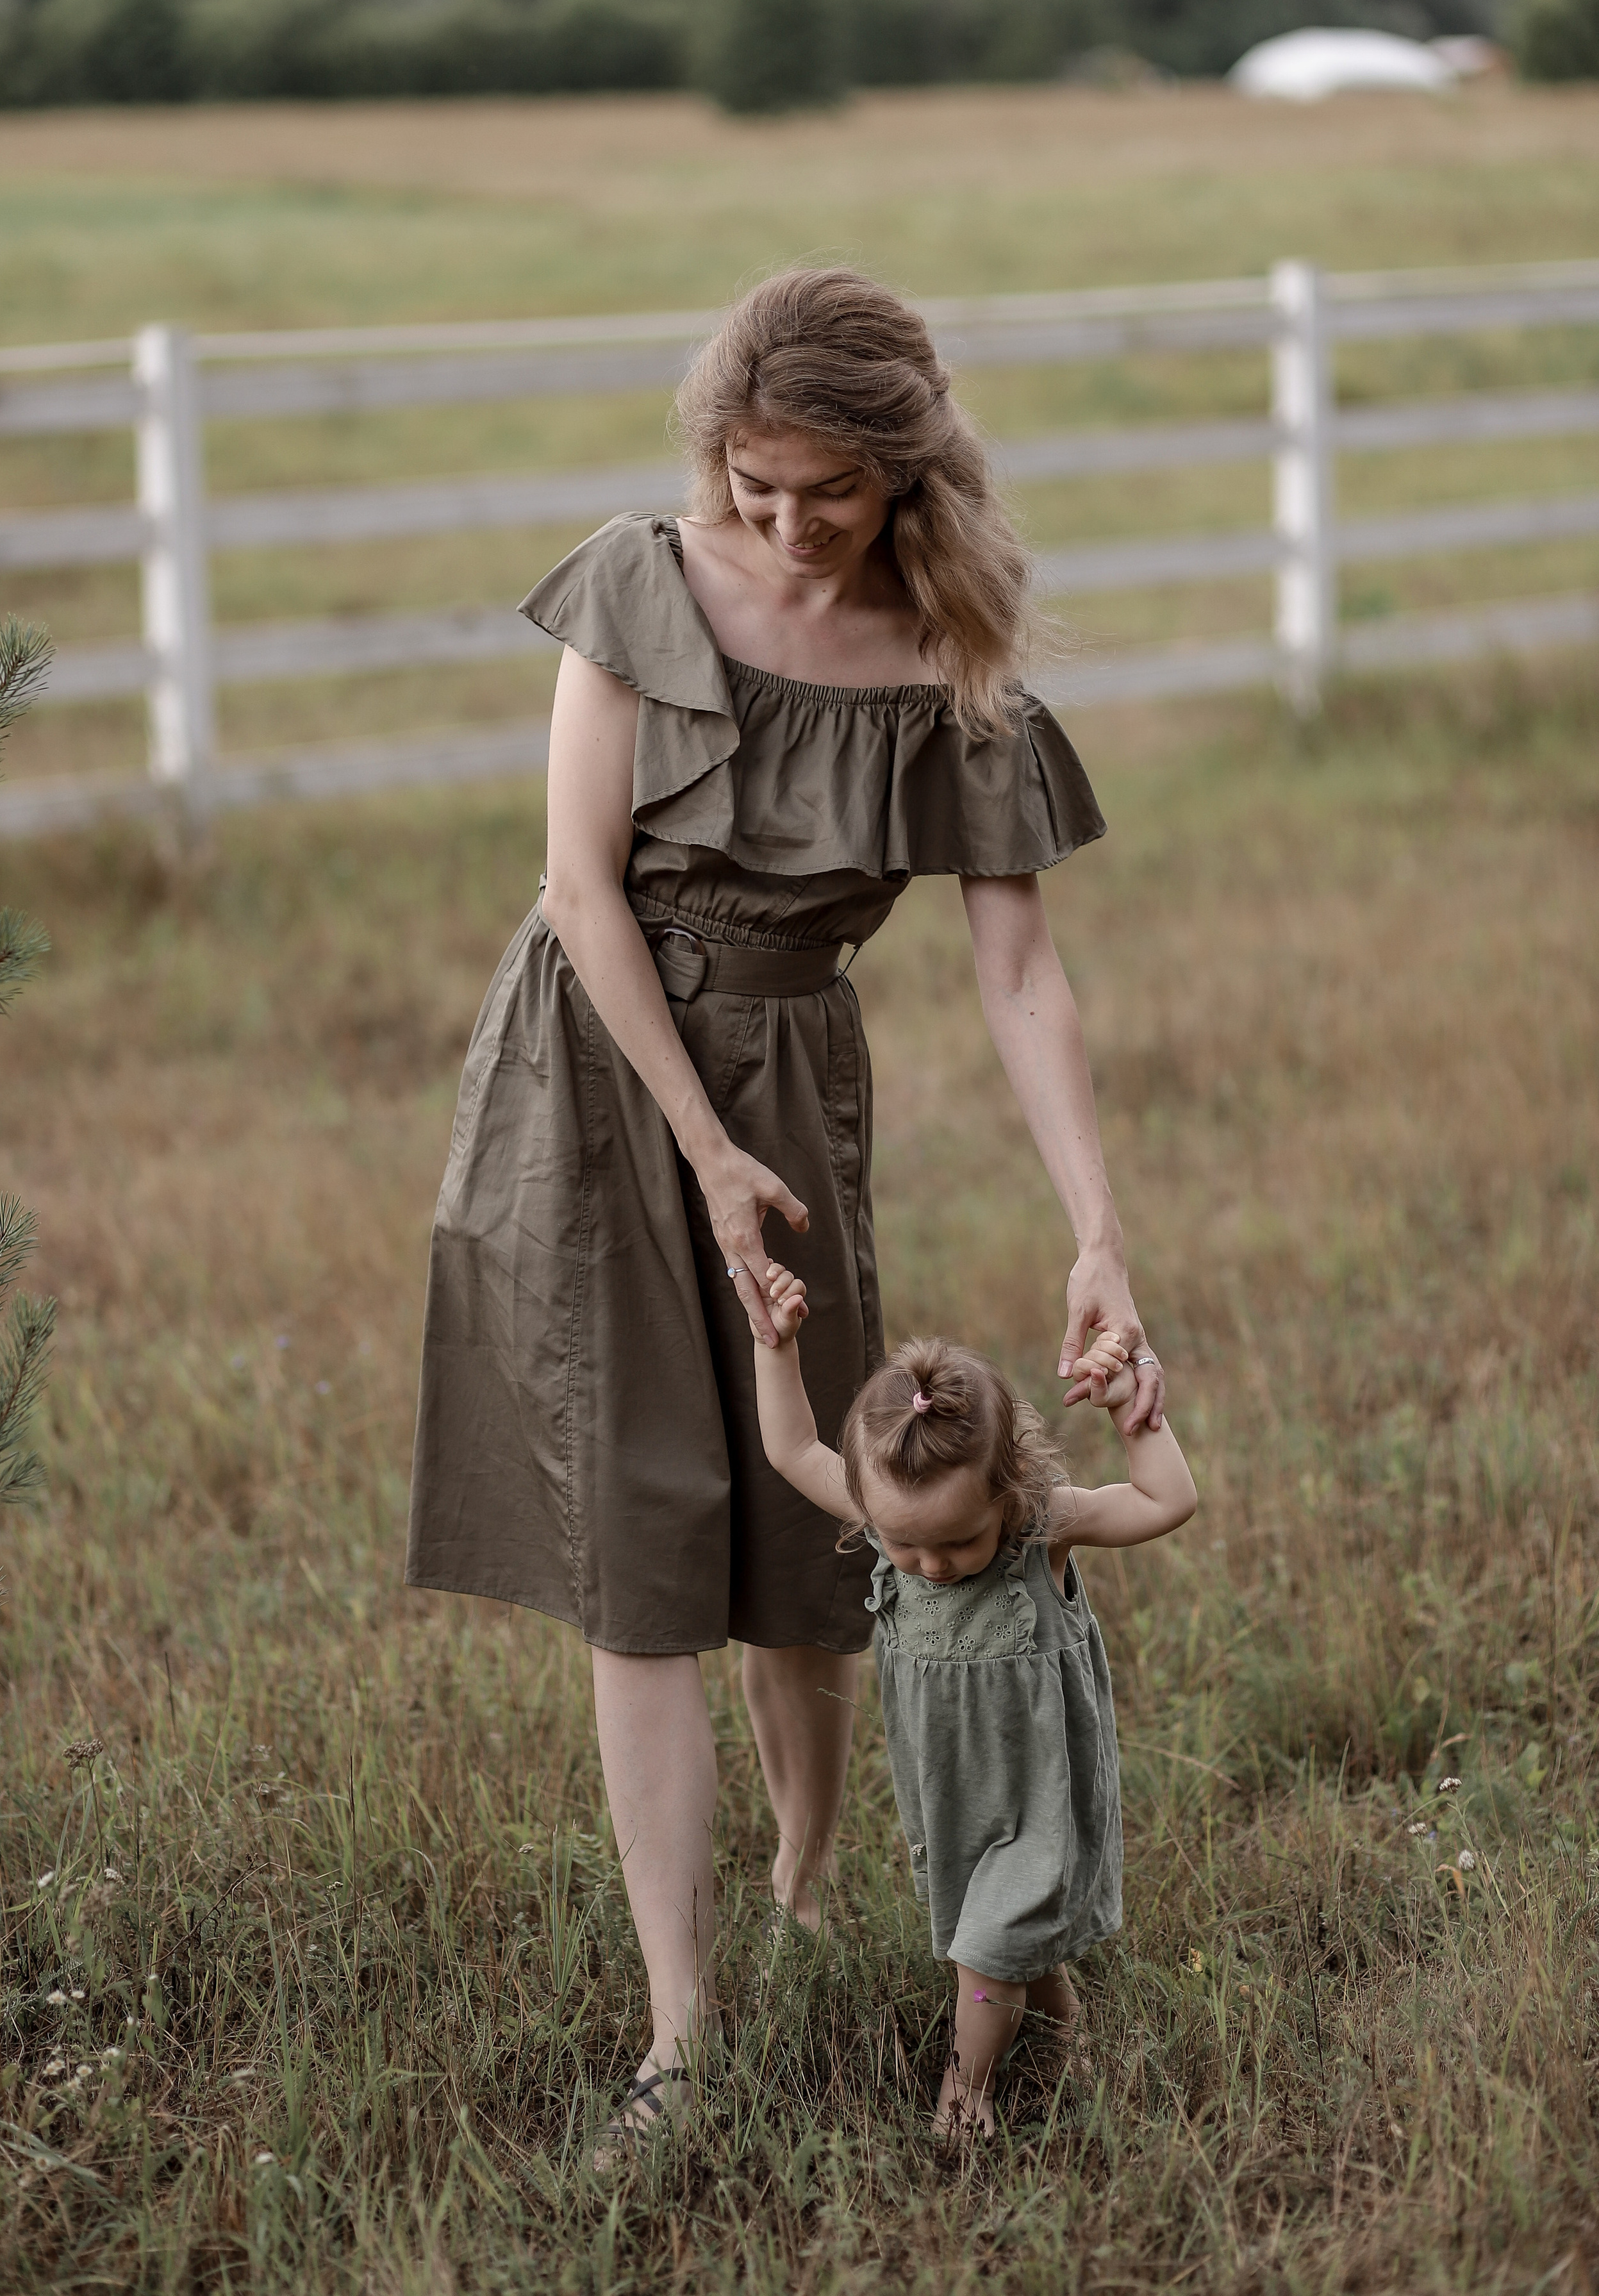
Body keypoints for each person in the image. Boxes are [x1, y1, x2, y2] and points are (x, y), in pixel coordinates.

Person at [403, 265, 1165, 2158]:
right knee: (643, 1560)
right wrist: (697, 1146)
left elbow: (1020, 980)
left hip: (791, 1087)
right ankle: (683, 2028)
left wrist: (1099, 1234)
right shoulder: (636, 584)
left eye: (824, 488)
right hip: (593, 1077)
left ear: (905, 471)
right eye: (753, 482)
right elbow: (582, 893)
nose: (783, 522)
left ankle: (812, 1894)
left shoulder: (949, 660)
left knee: (811, 1539)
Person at [752, 1265, 1197, 2139]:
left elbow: (1167, 1500)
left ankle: (966, 2091)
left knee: (984, 1949)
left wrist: (1129, 1409)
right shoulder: (891, 1509)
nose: (930, 1564)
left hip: (1038, 1794)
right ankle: (1063, 2036)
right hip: (952, 1798)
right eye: (902, 1543)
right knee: (999, 1938)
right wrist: (780, 1344)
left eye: (959, 1540)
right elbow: (790, 1449)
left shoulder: (1043, 1527)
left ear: (1007, 1490)